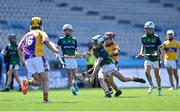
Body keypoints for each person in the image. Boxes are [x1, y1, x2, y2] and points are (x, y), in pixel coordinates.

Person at [18, 17, 59, 103]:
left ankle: (27, 83)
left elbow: (19, 48)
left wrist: (22, 60)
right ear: (40, 25)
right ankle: (46, 100)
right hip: (38, 58)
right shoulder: (41, 32)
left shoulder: (26, 35)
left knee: (39, 81)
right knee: (45, 80)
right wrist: (55, 50)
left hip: (28, 60)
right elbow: (46, 42)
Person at [136, 21, 162, 96]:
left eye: (149, 29)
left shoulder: (156, 37)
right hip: (148, 58)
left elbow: (160, 47)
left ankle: (159, 89)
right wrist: (141, 52)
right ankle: (151, 84)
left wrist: (156, 52)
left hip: (155, 59)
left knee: (156, 75)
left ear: (153, 29)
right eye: (146, 29)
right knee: (146, 72)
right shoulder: (143, 37)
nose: (147, 30)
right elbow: (143, 45)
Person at [57, 24, 79, 95]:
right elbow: (57, 47)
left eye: (68, 30)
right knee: (69, 74)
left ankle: (74, 83)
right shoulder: (61, 39)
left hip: (73, 58)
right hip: (66, 58)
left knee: (76, 75)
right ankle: (71, 87)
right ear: (64, 31)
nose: (67, 32)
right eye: (66, 30)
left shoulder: (74, 40)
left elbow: (75, 49)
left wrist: (76, 53)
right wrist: (57, 54)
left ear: (71, 31)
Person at [102, 32, 122, 96]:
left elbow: (117, 50)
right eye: (105, 39)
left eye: (107, 39)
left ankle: (109, 90)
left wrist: (114, 52)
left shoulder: (114, 45)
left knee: (106, 77)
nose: (106, 41)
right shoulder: (103, 46)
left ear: (112, 39)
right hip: (107, 64)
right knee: (111, 81)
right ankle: (117, 90)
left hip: (113, 64)